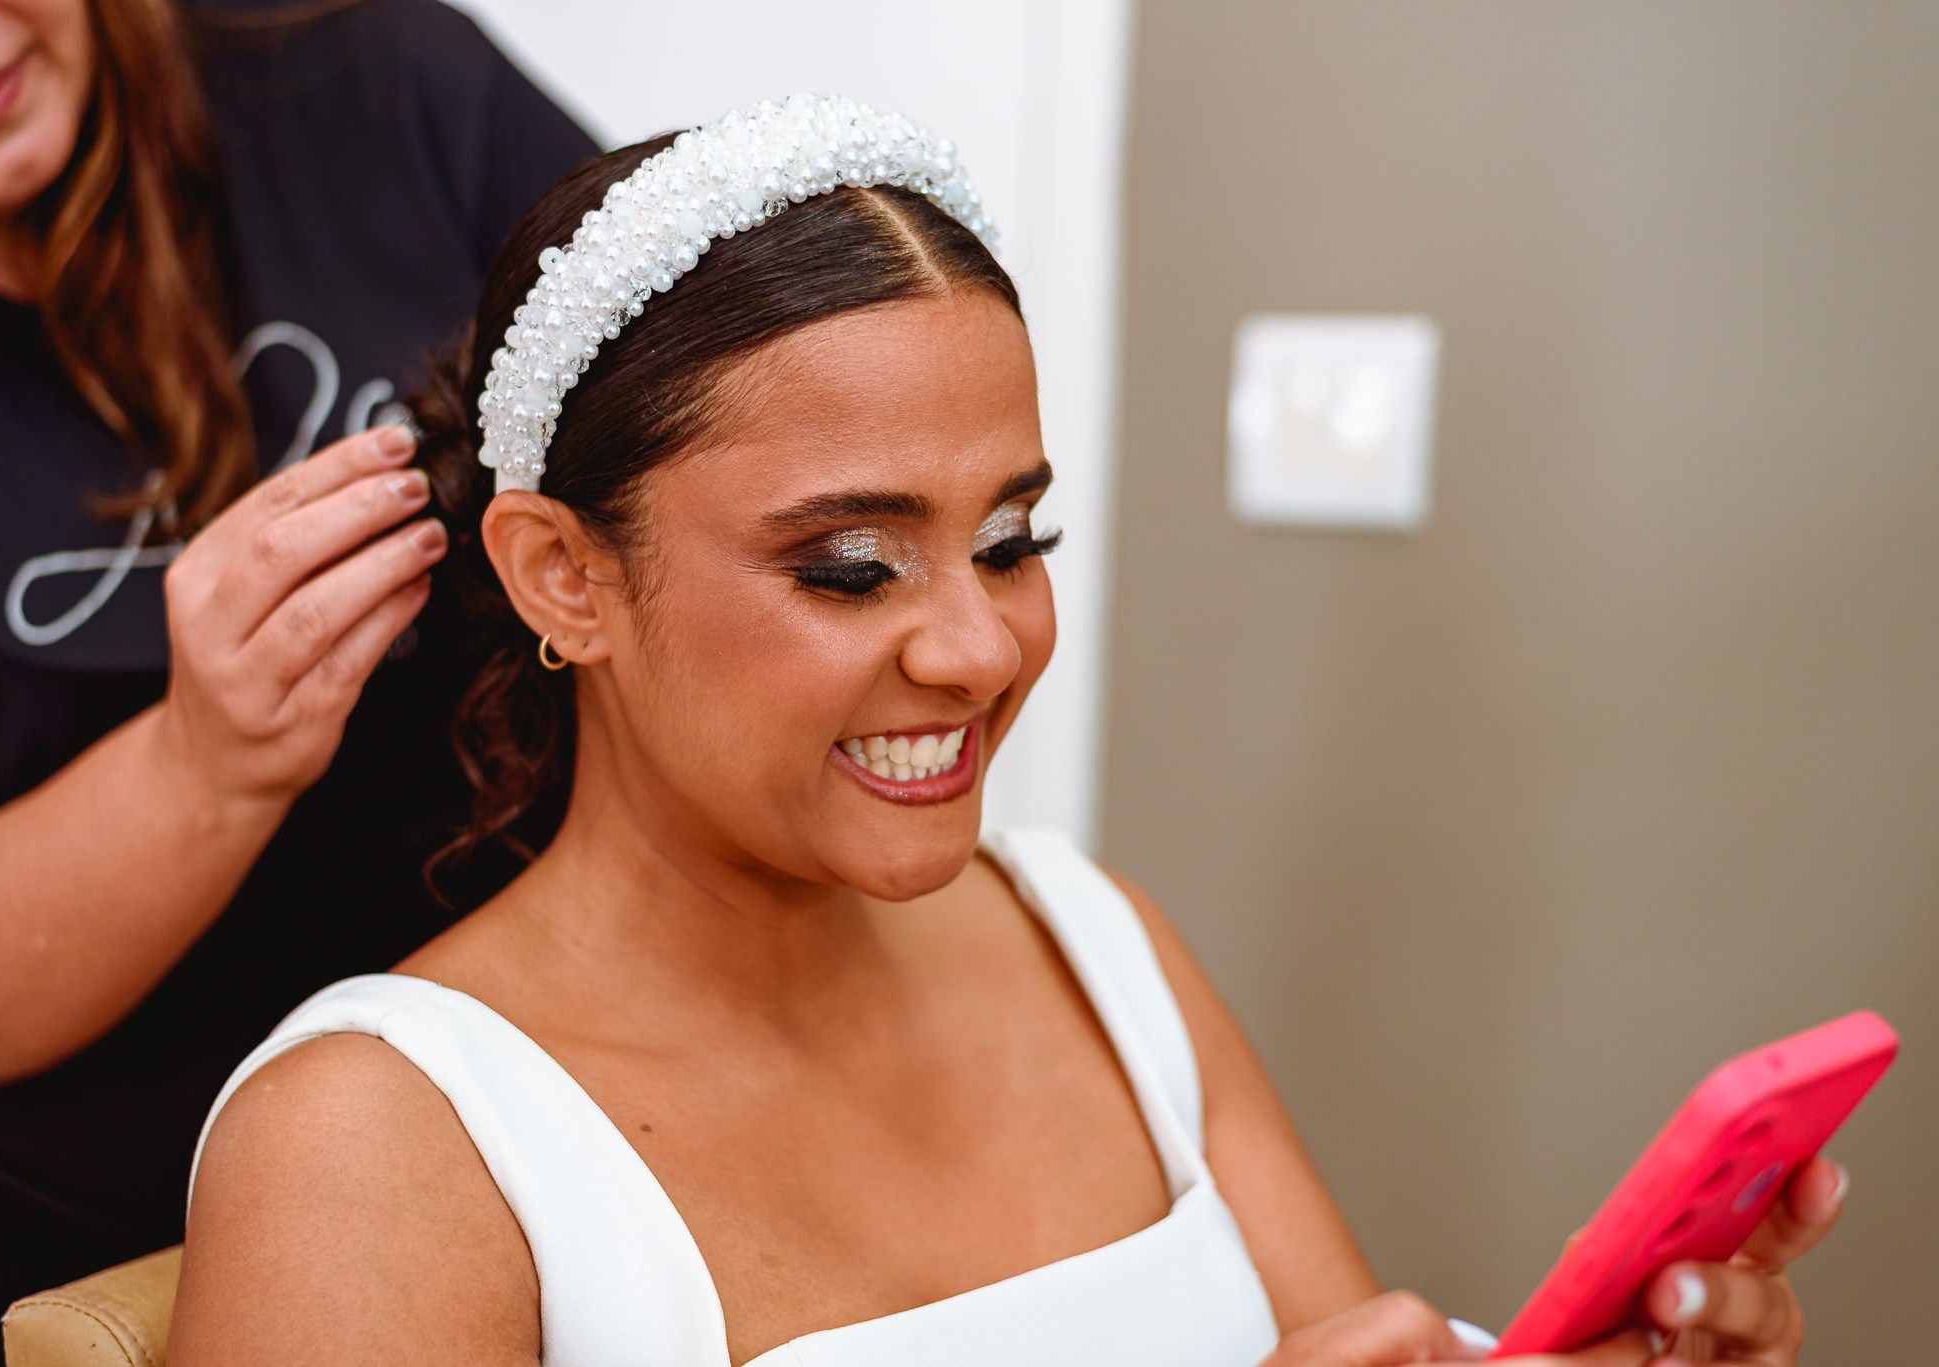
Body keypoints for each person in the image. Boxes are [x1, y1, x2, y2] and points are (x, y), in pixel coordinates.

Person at [174, 97, 1844, 1366]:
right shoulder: (370, 1150)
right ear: (564, 574)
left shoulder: (1093, 947)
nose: (981, 648)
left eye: (1012, 541)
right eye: (848, 565)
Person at [0, 0, 597, 1357]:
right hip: (38, 1224)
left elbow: (725, 414)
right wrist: (205, 763)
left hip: (526, 1095)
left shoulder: (372, 80)